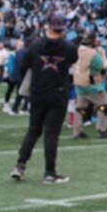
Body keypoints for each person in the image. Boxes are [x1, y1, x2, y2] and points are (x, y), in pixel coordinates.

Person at [11, 16, 76, 184]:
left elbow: (24, 66)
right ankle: (49, 172)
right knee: (51, 134)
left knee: (33, 130)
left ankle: (20, 165)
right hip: (58, 93)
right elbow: (73, 61)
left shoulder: (35, 46)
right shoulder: (68, 48)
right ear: (63, 29)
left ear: (49, 27)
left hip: (38, 93)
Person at [70, 36, 107, 140]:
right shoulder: (92, 54)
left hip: (78, 83)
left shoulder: (77, 51)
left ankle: (77, 130)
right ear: (92, 43)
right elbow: (104, 66)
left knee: (81, 107)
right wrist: (103, 55)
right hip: (91, 85)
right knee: (104, 104)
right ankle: (102, 129)